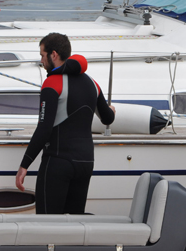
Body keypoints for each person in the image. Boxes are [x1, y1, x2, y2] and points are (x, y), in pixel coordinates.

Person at [15, 33, 116, 214]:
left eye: (42, 55)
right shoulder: (93, 83)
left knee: (48, 226)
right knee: (74, 227)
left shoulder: (52, 83)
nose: (41, 60)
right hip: (85, 163)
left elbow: (44, 129)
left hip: (58, 162)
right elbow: (108, 118)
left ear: (53, 55)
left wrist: (24, 165)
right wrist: (112, 110)